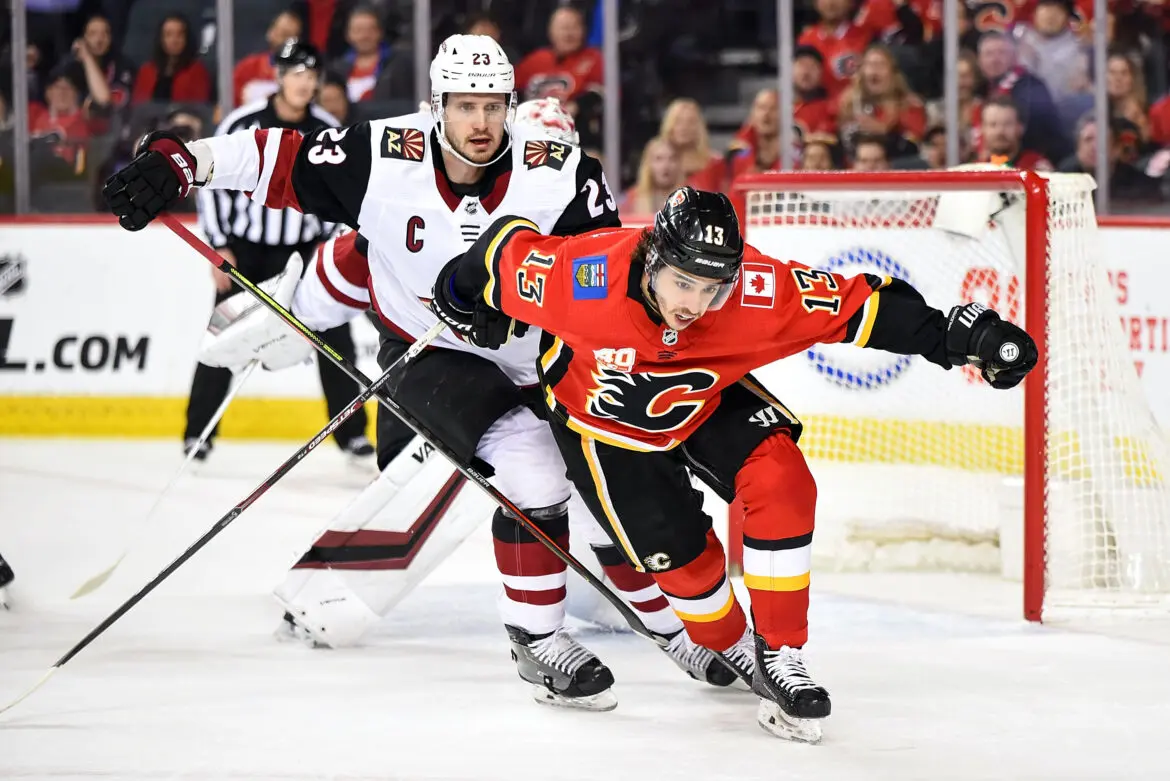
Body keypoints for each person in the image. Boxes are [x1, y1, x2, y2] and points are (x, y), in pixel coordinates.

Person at [103, 34, 735, 711]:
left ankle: (678, 630)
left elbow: (607, 274)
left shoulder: (560, 171)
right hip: (430, 355)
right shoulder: (383, 156)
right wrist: (180, 161)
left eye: (493, 106)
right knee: (532, 464)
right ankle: (537, 639)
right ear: (436, 106)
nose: (481, 122)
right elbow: (276, 159)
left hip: (539, 360)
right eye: (465, 106)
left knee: (610, 483)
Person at [427, 186, 1038, 741]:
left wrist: (965, 338)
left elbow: (861, 308)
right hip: (605, 427)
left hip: (709, 397)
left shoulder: (757, 291)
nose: (695, 303)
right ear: (651, 260)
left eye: (712, 288)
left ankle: (782, 652)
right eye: (682, 283)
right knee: (695, 588)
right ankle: (729, 639)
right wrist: (458, 291)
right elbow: (504, 249)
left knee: (782, 480)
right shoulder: (583, 279)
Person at [187, 39, 371, 463]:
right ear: (280, 77)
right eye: (297, 74)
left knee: (335, 337)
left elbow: (341, 187)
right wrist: (219, 246)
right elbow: (210, 183)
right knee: (223, 336)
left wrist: (332, 242)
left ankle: (352, 435)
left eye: (311, 75)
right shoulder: (242, 123)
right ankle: (198, 432)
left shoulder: (326, 126)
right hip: (246, 253)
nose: (305, 83)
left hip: (305, 253)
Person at [130, 13, 212, 105]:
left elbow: (199, 106)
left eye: (179, 35)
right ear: (161, 39)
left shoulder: (197, 70)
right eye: (168, 35)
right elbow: (138, 106)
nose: (174, 40)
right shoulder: (147, 70)